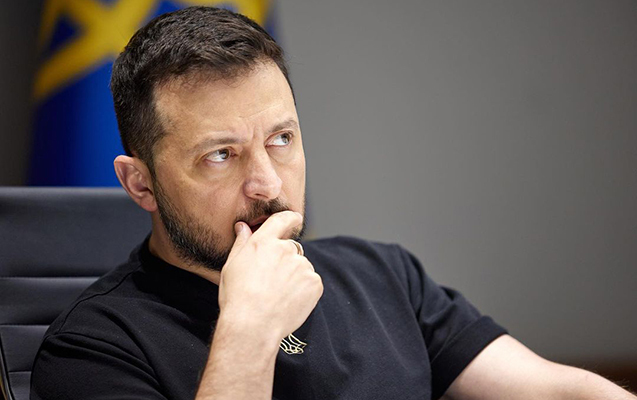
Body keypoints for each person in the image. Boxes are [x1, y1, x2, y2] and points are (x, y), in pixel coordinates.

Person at [30, 6, 635, 400]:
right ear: (140, 184)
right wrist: (249, 328)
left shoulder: (384, 275)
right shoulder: (90, 348)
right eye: (220, 154)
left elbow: (556, 391)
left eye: (281, 139)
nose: (266, 182)